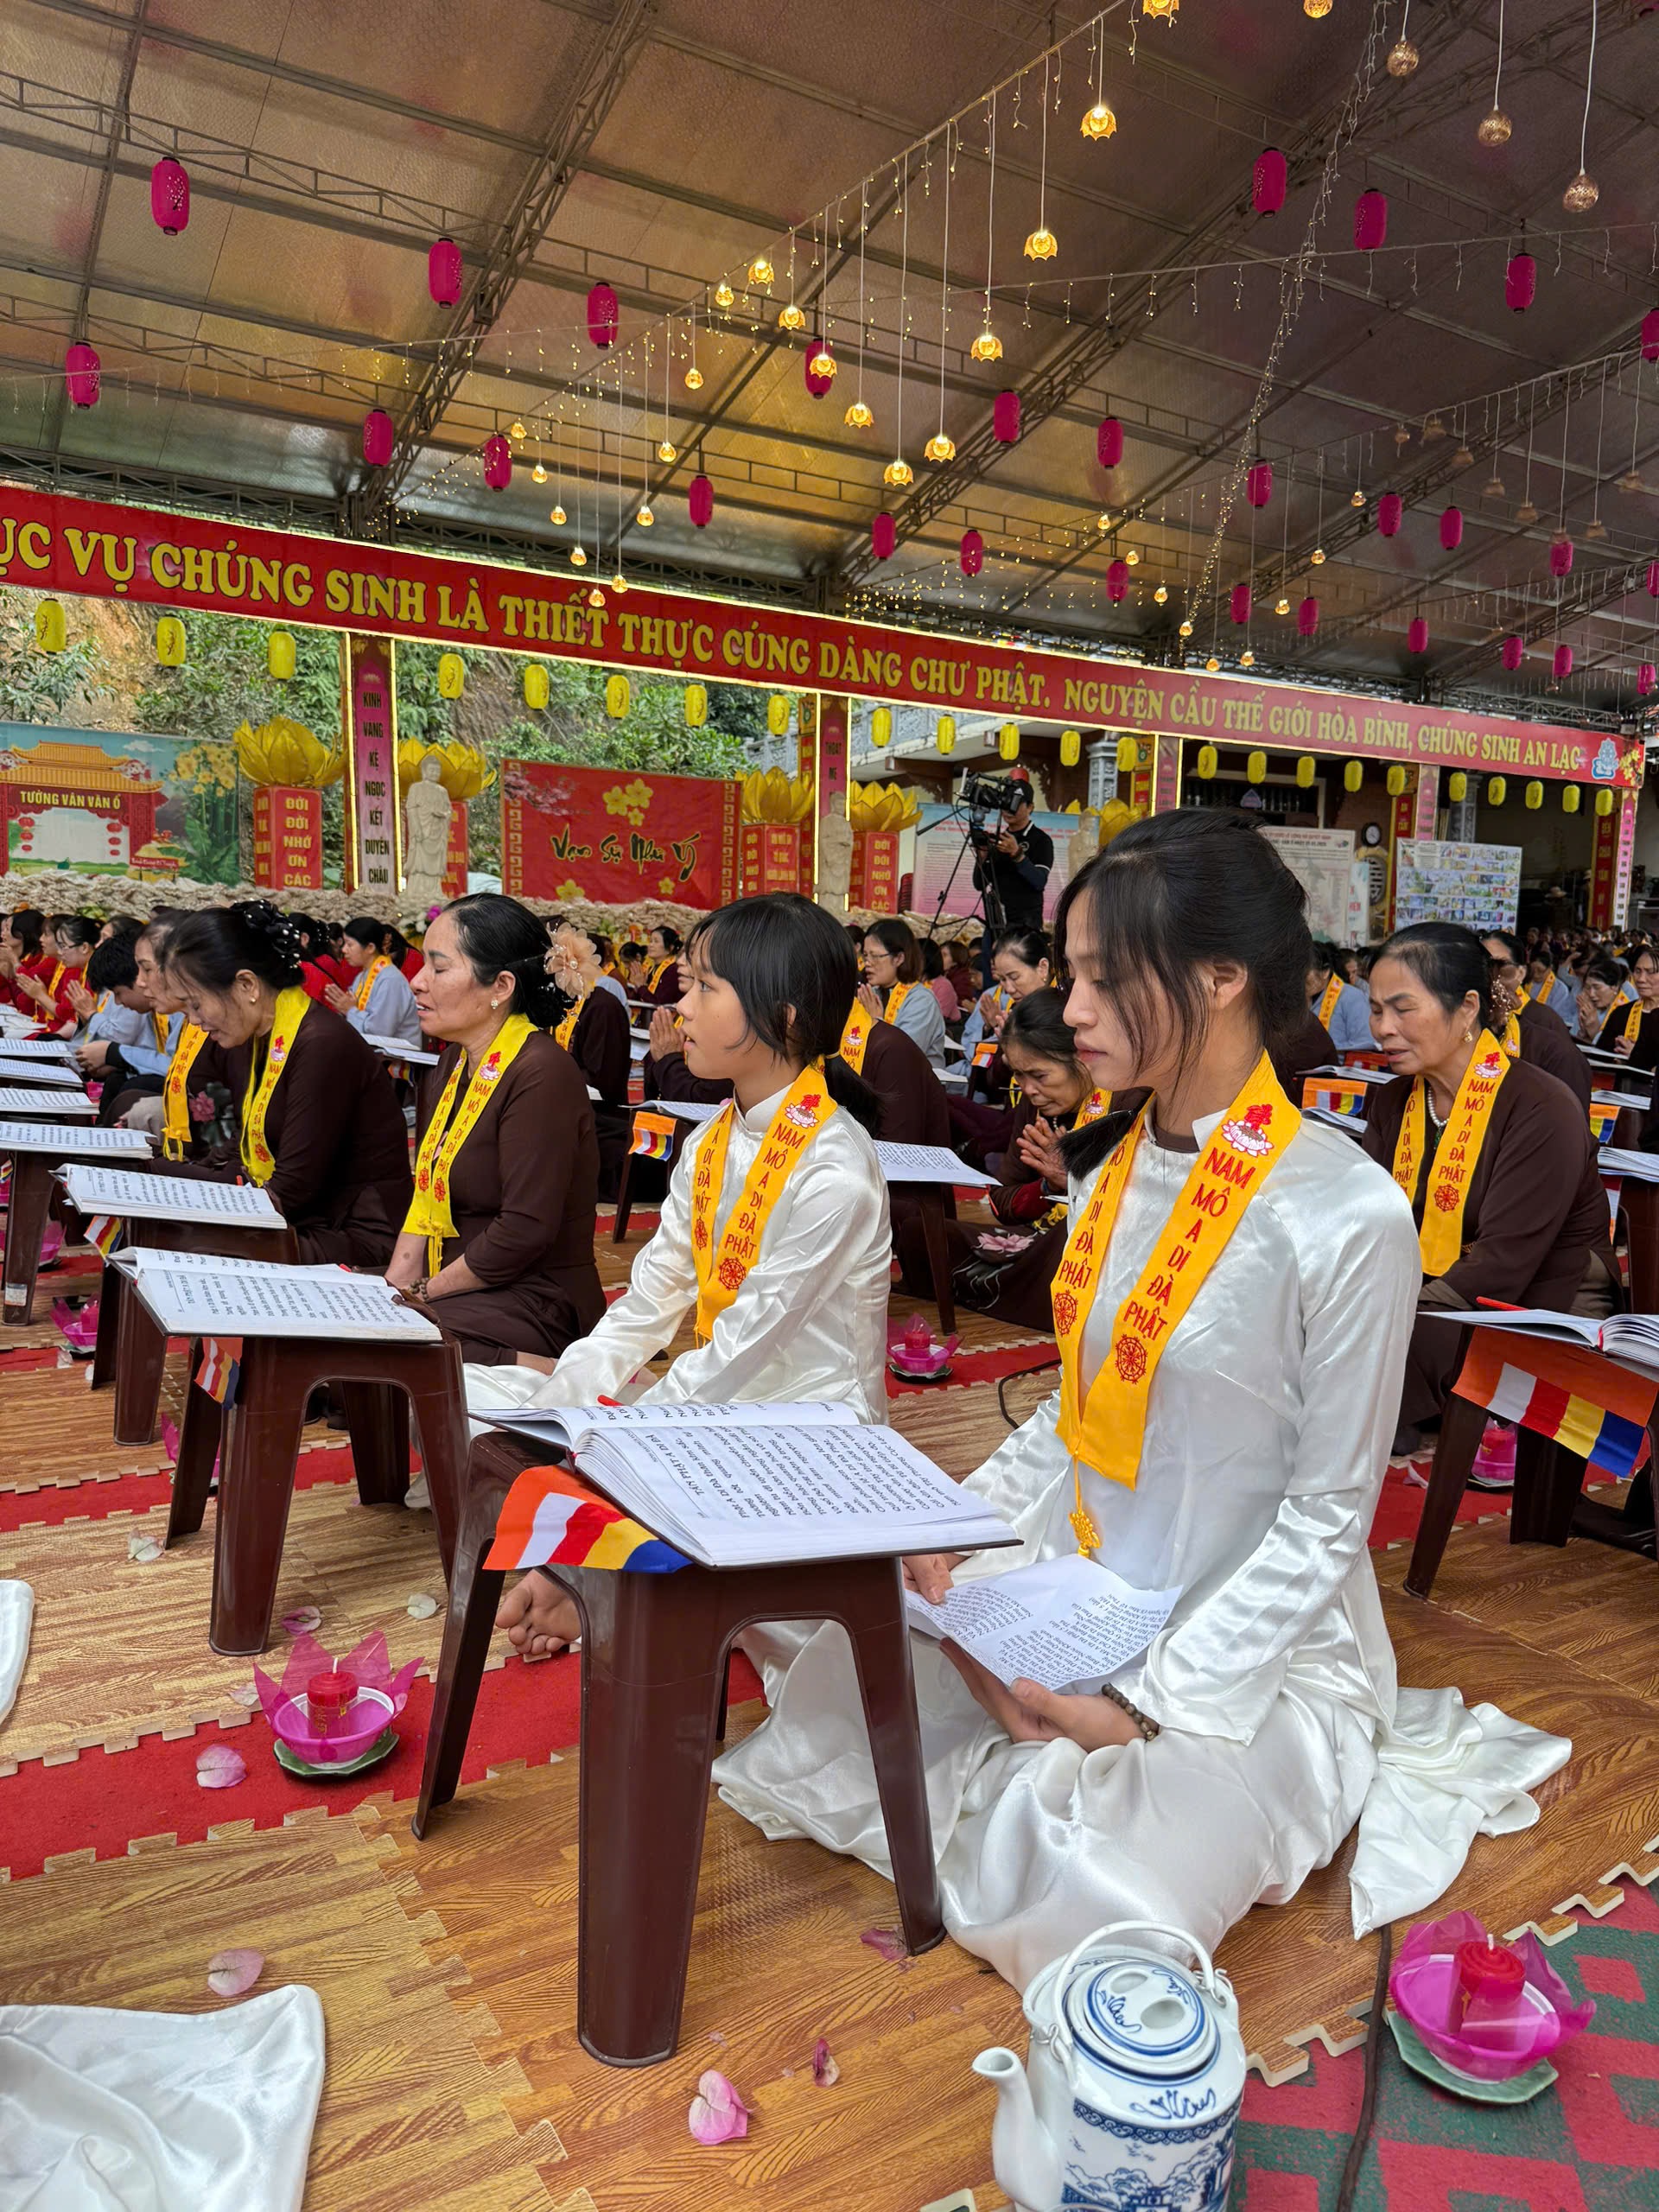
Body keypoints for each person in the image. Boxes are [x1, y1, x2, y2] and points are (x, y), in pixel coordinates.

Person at [715, 812, 1567, 1986]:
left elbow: (1328, 1513)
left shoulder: (1342, 1212)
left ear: (1219, 978)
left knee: (1099, 1880)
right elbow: (1075, 1415)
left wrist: (1149, 1700)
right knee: (852, 1696)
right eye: (1072, 975)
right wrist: (957, 1532)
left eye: (1105, 978)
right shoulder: (1114, 1163)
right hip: (1082, 1580)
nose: (1069, 1009)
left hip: (1249, 1642)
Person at [474, 893, 891, 1658]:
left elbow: (739, 1350)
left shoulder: (834, 1171)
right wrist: (561, 1405)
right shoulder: (712, 1142)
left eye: (704, 987)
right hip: (720, 1403)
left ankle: (595, 1585)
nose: (680, 1006)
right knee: (493, 1403)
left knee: (617, 1477)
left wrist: (599, 1458)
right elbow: (648, 1302)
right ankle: (591, 1578)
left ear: (783, 1018)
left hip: (808, 1430)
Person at [1362, 923, 1612, 1456]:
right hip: (1427, 1288)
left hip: (1533, 1297)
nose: (1383, 1028)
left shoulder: (1540, 1105)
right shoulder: (1391, 1101)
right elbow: (1365, 1224)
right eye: (1376, 1009)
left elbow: (1505, 1260)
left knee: (1365, 1343)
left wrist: (1387, 1309)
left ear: (1468, 1008)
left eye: (1403, 1009)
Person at [385, 895, 603, 1365]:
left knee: (395, 1347)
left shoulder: (541, 1072)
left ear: (501, 986)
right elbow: (426, 1191)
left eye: (439, 968)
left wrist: (424, 1293)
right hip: (458, 1286)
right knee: (356, 1330)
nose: (417, 982)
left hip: (533, 1296)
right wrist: (395, 1284)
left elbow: (523, 1231)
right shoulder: (451, 1062)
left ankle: (554, 1371)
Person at [164, 902, 413, 1267]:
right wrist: (163, 1175)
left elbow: (294, 1189)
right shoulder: (257, 1034)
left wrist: (189, 1193)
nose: (194, 1021)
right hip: (303, 1214)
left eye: (196, 1005)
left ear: (247, 984)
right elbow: (246, 1144)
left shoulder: (320, 1043)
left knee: (192, 1247)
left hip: (353, 1231)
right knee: (163, 1216)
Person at [896, 988, 1114, 1332]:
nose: (1028, 1089)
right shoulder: (1034, 1107)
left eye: (1039, 1076)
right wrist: (1048, 1186)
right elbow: (1002, 1200)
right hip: (1032, 1239)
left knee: (1064, 1248)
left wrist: (1076, 1180)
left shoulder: (1120, 1104)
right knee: (917, 1233)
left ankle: (1009, 1289)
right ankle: (1015, 1288)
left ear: (1081, 1058)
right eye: (1019, 1075)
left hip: (1087, 1244)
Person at [1481, 931, 1592, 1109]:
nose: (1490, 975)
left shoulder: (1544, 1021)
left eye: (1500, 965)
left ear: (1521, 972)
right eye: (1481, 965)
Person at [969, 779, 1052, 948]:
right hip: (996, 924)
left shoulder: (1041, 840)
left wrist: (1017, 854)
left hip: (1025, 928)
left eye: (1015, 803)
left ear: (1030, 807)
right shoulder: (998, 840)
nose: (1008, 809)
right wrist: (982, 857)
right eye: (1005, 802)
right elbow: (979, 884)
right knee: (988, 963)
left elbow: (1039, 881)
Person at [324, 916, 424, 1049]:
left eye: (350, 945)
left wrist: (350, 1010)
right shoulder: (362, 976)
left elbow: (380, 1032)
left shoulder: (390, 980)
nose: (344, 950)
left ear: (370, 948)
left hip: (396, 1056)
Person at [859, 919, 948, 1069]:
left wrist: (876, 1023)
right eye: (866, 955)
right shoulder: (872, 993)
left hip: (910, 1080)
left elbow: (902, 1056)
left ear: (899, 958)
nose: (867, 962)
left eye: (875, 956)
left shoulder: (921, 1001)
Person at [1306, 940, 1372, 1054]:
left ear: (1325, 972)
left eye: (1304, 973)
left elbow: (1365, 1043)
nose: (1298, 979)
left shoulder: (1352, 997)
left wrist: (1328, 1051)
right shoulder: (1297, 999)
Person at [1598, 942, 1659, 1061]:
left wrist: (1636, 1057)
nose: (1641, 979)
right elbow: (1601, 1053)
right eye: (1638, 971)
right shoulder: (1621, 1013)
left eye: (1650, 972)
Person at [1576, 955, 1629, 1046]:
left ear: (1615, 987)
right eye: (1588, 987)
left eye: (1597, 987)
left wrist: (1594, 1030)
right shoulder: (1588, 1006)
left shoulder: (1625, 1013)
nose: (1591, 994)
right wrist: (1583, 1032)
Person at [1525, 944, 1577, 1026]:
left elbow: (1555, 1015)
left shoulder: (1560, 989)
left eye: (1540, 971)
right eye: (1532, 971)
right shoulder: (1526, 981)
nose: (1535, 975)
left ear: (1550, 969)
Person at [643, 923, 684, 1005]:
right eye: (650, 941)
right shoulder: (652, 969)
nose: (651, 945)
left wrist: (641, 987)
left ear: (670, 948)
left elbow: (660, 1003)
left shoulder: (673, 971)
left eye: (656, 941)